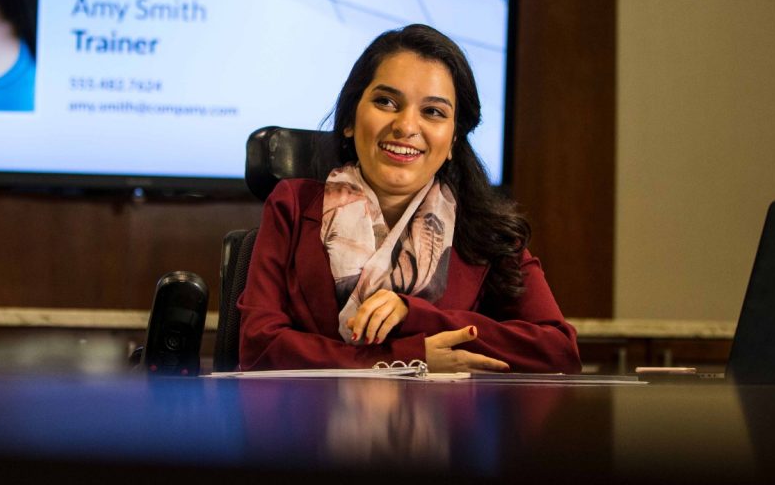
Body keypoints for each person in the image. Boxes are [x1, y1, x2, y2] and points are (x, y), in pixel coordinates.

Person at [237, 24, 581, 373]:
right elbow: (259, 348)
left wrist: (416, 314)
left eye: (433, 111)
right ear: (350, 120)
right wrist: (406, 357)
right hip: (309, 425)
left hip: (445, 425)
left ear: (454, 140)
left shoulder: (486, 230)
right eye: (386, 102)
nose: (405, 126)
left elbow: (558, 350)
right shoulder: (293, 206)